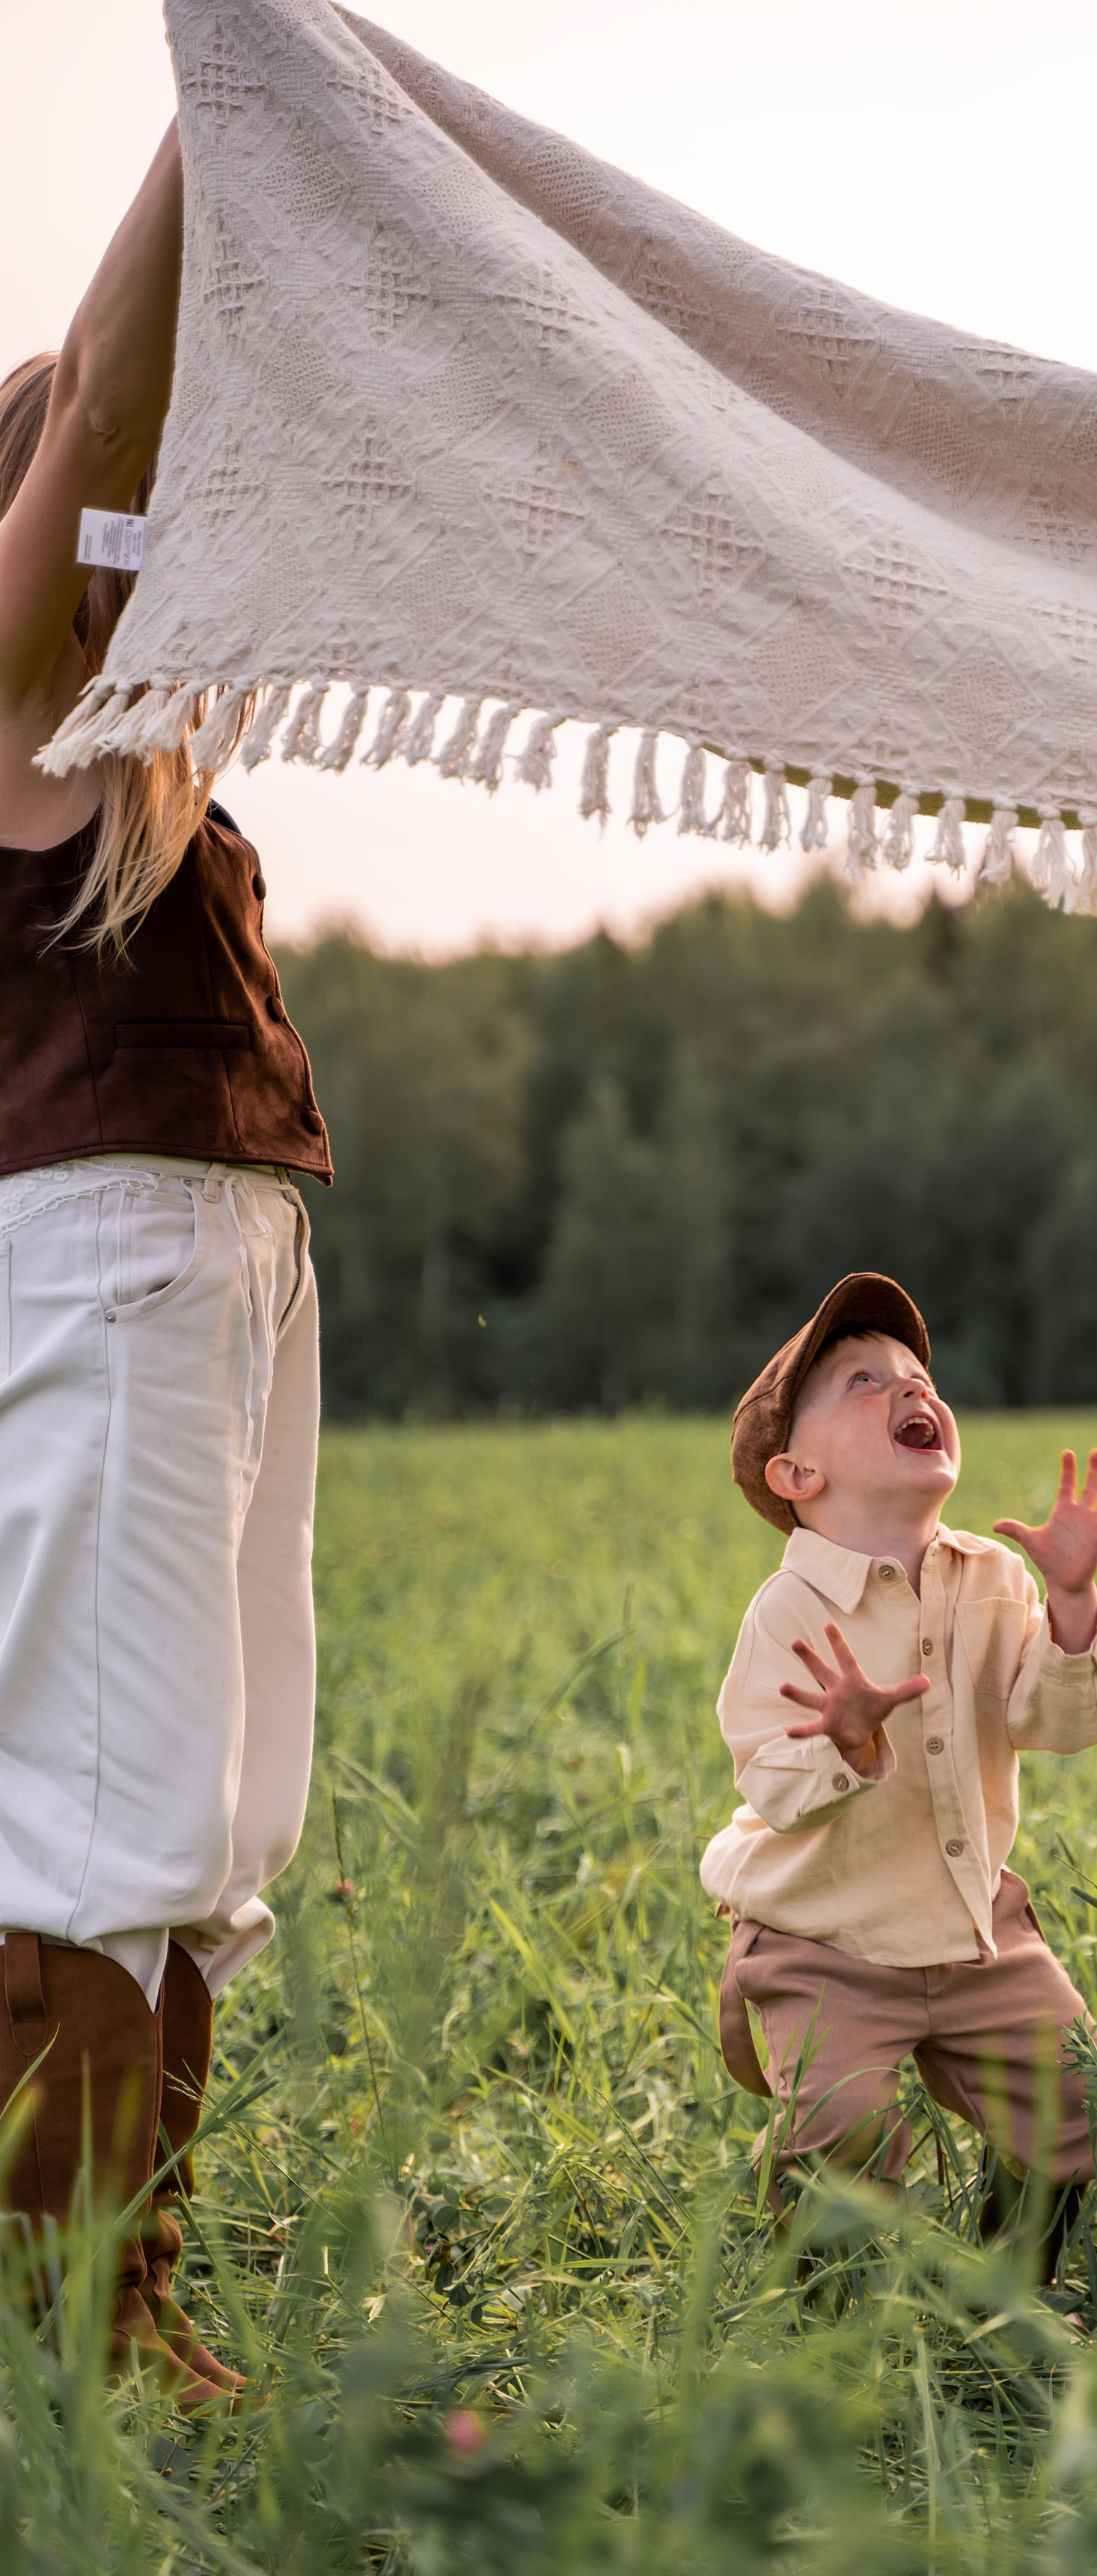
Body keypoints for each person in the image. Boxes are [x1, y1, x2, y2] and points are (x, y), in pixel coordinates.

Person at [0, 124, 332, 2403]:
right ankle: (76, 2325)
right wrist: (230, 114)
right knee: (111, 1797)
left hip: (218, 1268)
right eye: (120, 506)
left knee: (219, 1802)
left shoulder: (153, 778)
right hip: (108, 1262)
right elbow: (110, 388)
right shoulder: (14, 710)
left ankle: (123, 2269)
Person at [704, 1271, 1097, 2269]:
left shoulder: (995, 1576)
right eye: (863, 1381)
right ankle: (834, 2314)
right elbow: (771, 1781)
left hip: (972, 1925)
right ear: (796, 1474)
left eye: (918, 1376)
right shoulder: (788, 1611)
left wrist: (1072, 1604)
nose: (910, 1387)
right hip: (826, 1938)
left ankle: (1011, 2289)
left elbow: (1061, 1719)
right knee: (846, 2130)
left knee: (1082, 2110)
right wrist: (844, 1739)